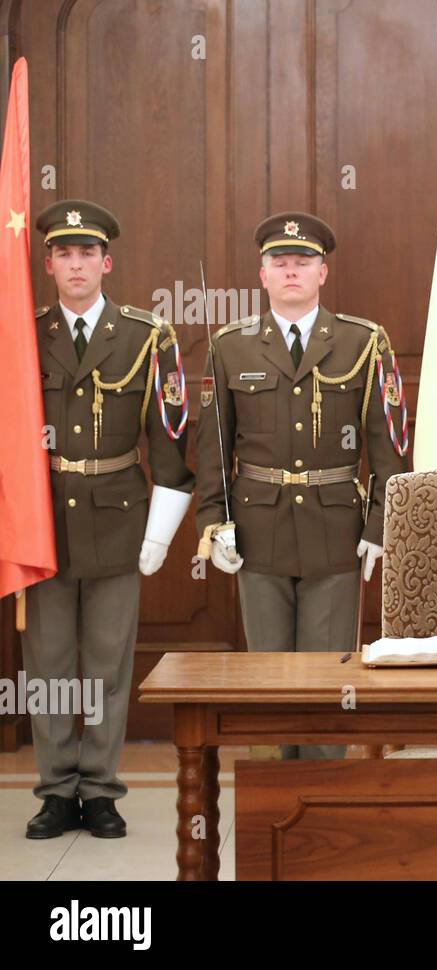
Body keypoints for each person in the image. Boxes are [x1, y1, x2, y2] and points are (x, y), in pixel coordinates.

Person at [193, 212, 408, 759]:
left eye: (302, 263)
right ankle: (273, 810)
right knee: (269, 679)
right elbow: (213, 446)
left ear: (322, 274)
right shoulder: (230, 346)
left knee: (328, 681)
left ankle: (321, 805)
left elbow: (389, 446)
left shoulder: (365, 343)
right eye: (279, 263)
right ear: (262, 275)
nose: (291, 272)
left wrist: (380, 525)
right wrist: (214, 522)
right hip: (257, 530)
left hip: (336, 531)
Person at [24, 200, 194, 839]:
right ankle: (54, 791)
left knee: (106, 662)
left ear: (106, 262)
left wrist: (159, 532)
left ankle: (99, 790)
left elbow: (171, 441)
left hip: (120, 517)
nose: (75, 264)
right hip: (43, 525)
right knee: (46, 664)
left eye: (86, 253)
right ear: (48, 264)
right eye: (64, 254)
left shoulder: (149, 336)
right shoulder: (21, 333)